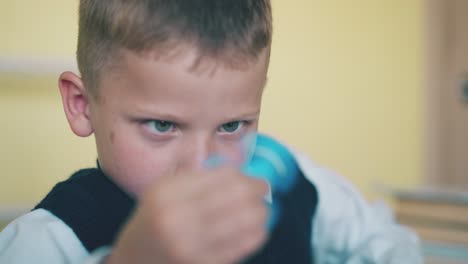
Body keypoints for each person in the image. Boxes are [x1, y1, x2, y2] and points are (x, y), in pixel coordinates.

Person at [0, 0, 423, 263]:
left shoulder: (288, 183)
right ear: (81, 105)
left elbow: (385, 240)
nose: (204, 166)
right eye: (163, 126)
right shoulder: (44, 242)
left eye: (232, 125)